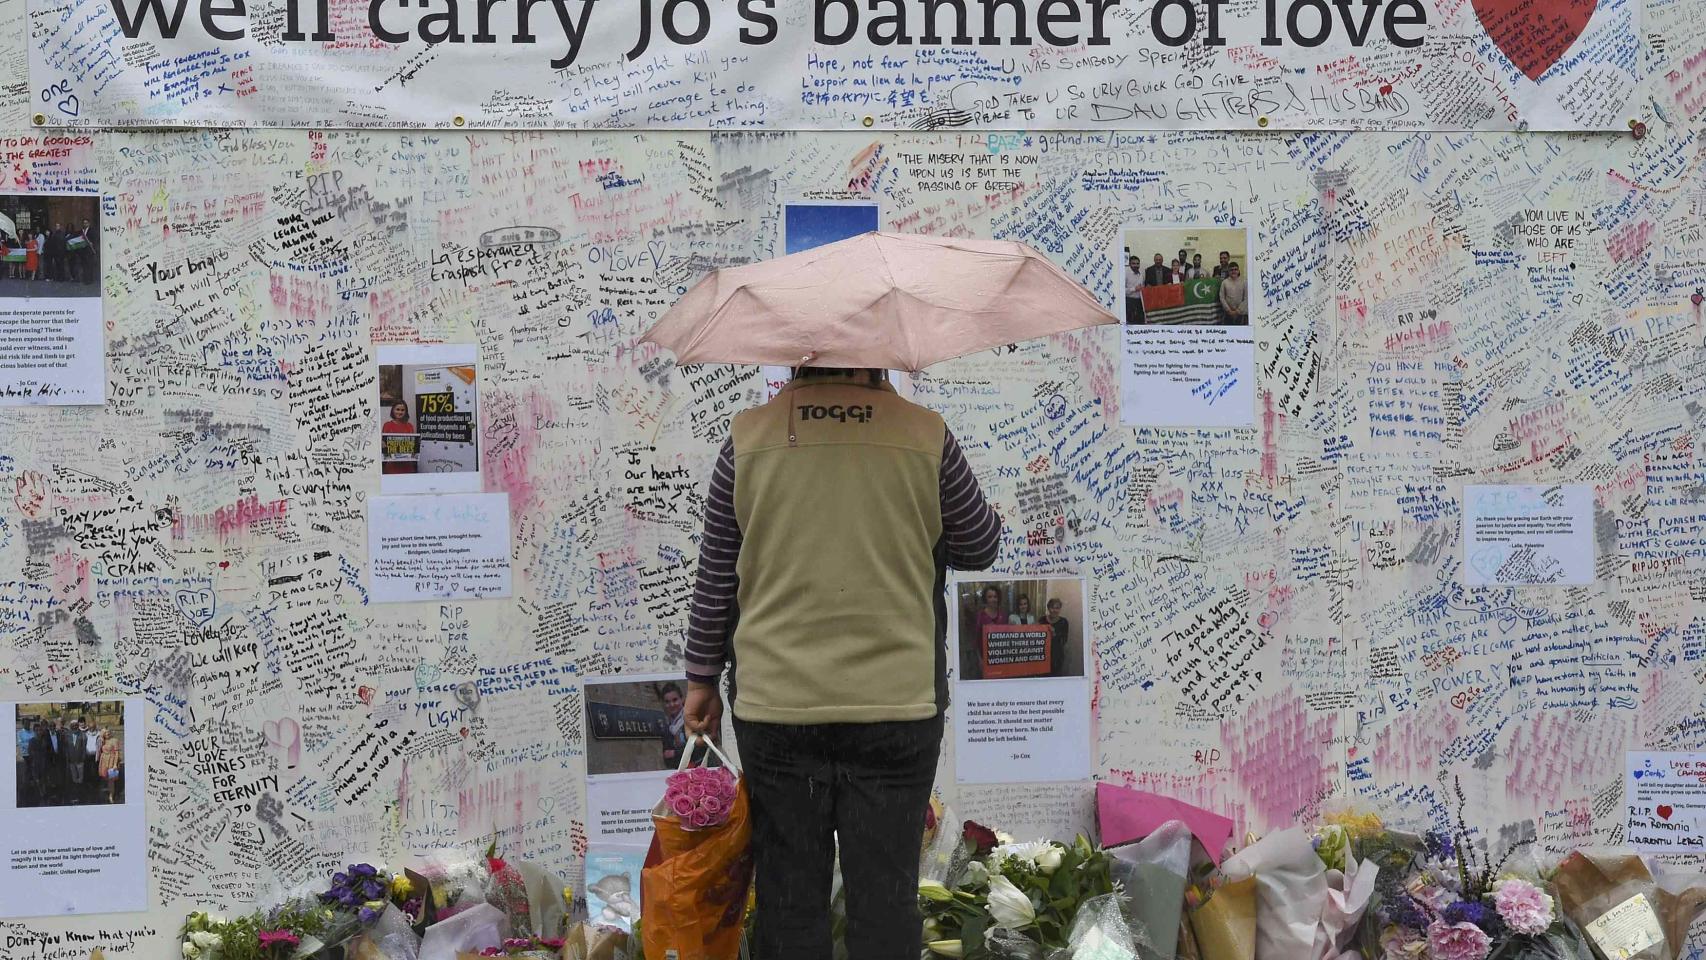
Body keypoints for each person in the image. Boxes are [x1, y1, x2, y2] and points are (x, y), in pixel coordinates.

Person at [682, 366, 1000, 960]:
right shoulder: (926, 435)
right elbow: (980, 544)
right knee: (885, 902)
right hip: (897, 707)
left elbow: (717, 576)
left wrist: (701, 677)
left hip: (777, 708)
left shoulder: (747, 439)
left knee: (789, 900)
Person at [381, 402, 419, 474]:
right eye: (397, 409)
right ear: (393, 410)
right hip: (392, 466)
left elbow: (412, 444)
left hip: (407, 466)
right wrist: (383, 445)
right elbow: (384, 443)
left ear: (405, 412)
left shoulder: (409, 426)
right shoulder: (387, 425)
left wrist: (417, 444)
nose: (400, 412)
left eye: (402, 410)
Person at [659, 682, 687, 768]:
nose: (671, 705)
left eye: (675, 700)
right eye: (667, 702)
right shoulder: (667, 727)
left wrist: (675, 753)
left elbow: (700, 749)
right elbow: (666, 754)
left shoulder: (691, 719)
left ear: (681, 699)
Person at [28, 722, 54, 807]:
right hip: (36, 764)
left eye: (40, 730)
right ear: (34, 731)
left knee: (44, 779)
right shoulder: (32, 741)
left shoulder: (45, 740)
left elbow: (49, 750)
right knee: (38, 780)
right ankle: (40, 793)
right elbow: (30, 753)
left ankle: (44, 793)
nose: (39, 731)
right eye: (37, 730)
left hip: (45, 763)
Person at [1044, 598, 1070, 677]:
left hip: (1057, 657)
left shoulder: (1064, 622)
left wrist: (1054, 633)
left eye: (1057, 608)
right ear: (1048, 608)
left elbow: (1064, 640)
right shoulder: (1042, 620)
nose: (1054, 610)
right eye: (1052, 607)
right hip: (1043, 657)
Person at [98, 728, 122, 804]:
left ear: (110, 733)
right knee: (105, 778)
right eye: (105, 733)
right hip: (104, 761)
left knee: (111, 780)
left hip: (111, 760)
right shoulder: (103, 741)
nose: (107, 734)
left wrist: (115, 764)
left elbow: (117, 753)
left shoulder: (114, 740)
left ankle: (111, 796)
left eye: (108, 732)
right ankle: (107, 792)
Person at [63, 719, 85, 802]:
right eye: (73, 725)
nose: (75, 726)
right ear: (71, 727)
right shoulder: (67, 735)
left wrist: (83, 758)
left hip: (80, 760)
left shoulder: (82, 734)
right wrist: (67, 758)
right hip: (71, 760)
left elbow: (83, 747)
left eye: (76, 725)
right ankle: (75, 794)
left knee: (81, 778)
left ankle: (81, 794)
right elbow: (66, 748)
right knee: (74, 778)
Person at [1124, 255, 1144, 325]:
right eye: (1133, 263)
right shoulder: (1125, 274)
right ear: (1130, 264)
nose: (1136, 265)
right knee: (1131, 324)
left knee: (1140, 323)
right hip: (1130, 302)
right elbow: (1121, 291)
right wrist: (1134, 289)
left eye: (1137, 263)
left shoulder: (1141, 273)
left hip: (1140, 302)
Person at [83, 719, 101, 799]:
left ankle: (96, 784)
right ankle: (89, 784)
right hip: (87, 755)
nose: (91, 728)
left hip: (95, 755)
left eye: (93, 727)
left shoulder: (99, 734)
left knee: (95, 769)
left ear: (95, 727)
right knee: (88, 770)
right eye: (90, 727)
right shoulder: (86, 734)